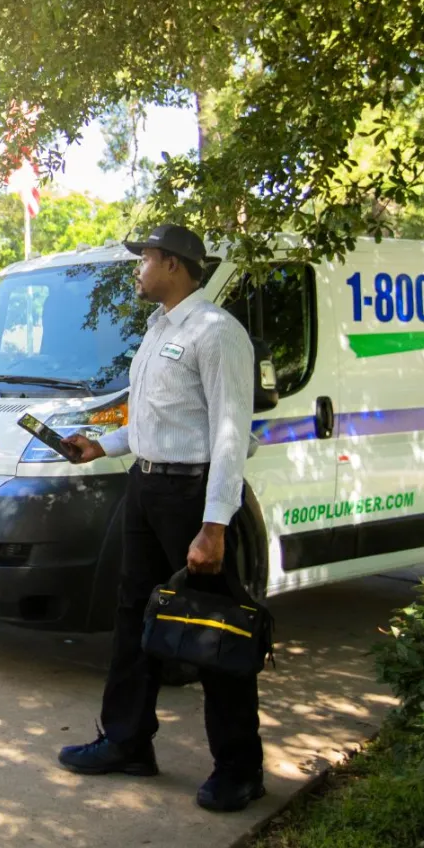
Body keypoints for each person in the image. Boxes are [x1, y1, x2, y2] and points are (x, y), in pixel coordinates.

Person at [58, 223, 264, 812]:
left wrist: (216, 523)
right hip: (145, 487)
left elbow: (229, 433)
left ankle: (239, 768)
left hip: (192, 496)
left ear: (173, 265)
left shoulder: (217, 333)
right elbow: (162, 421)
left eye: (144, 259)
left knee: (214, 628)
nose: (138, 269)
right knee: (132, 617)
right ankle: (126, 742)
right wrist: (106, 445)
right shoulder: (157, 329)